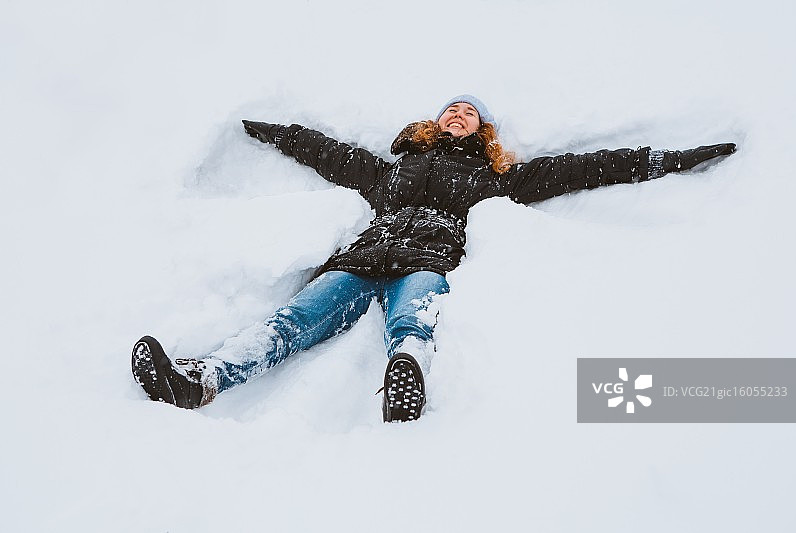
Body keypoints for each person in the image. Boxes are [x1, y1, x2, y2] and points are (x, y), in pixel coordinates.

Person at [131, 95, 735, 422]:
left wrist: (670, 158)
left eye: (471, 112)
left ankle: (406, 379)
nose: (459, 113)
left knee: (413, 319)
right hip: (365, 256)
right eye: (452, 107)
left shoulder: (497, 180)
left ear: (483, 131)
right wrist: (265, 127)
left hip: (429, 258)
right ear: (434, 121)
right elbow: (325, 152)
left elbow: (586, 168)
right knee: (292, 321)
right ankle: (202, 379)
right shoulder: (391, 171)